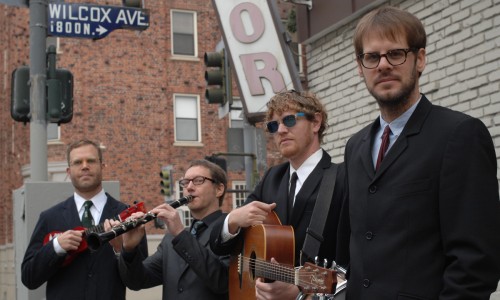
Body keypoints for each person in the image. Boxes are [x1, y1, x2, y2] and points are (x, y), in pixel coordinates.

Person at [343, 6, 500, 299]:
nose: (383, 65)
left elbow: (476, 264)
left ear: (420, 59)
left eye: (396, 53)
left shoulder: (460, 135)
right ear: (360, 66)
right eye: (372, 56)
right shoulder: (355, 147)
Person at [210, 90, 348, 300]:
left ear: (316, 122)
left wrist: (300, 290)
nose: (281, 130)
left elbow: (355, 262)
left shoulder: (343, 178)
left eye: (289, 120)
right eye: (273, 126)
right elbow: (220, 246)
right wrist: (233, 220)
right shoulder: (272, 178)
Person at [21, 139, 148, 300]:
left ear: (102, 166)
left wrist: (121, 250)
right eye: (77, 162)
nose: (85, 166)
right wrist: (56, 247)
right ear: (69, 171)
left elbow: (139, 281)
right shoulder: (49, 218)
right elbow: (29, 278)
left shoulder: (128, 217)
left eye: (91, 161)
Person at [115, 159, 230, 300]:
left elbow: (222, 281)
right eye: (185, 182)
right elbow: (137, 281)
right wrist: (129, 249)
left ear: (219, 189)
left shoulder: (230, 229)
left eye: (198, 180)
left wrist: (180, 234)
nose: (189, 187)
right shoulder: (171, 239)